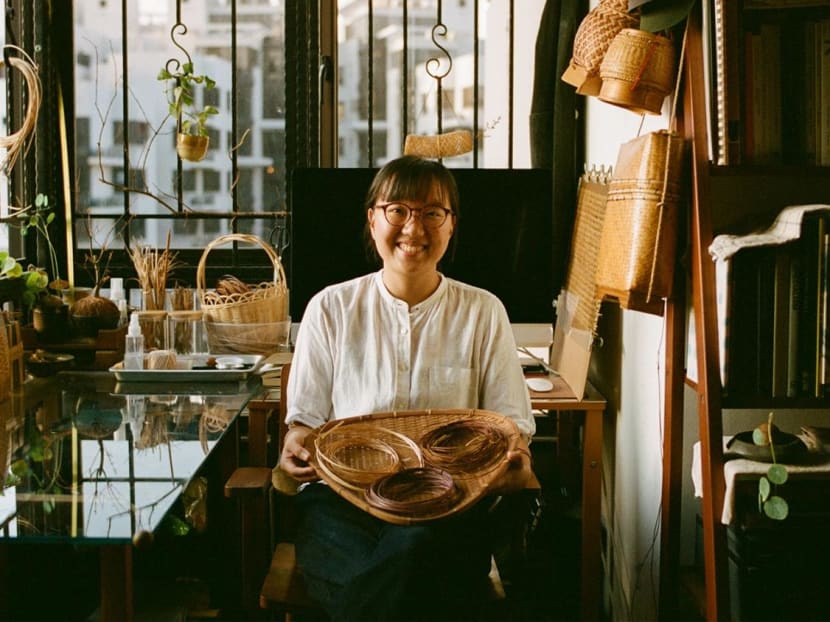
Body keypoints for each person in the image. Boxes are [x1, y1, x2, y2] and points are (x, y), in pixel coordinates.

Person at [279, 155, 536, 621]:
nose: (413, 228)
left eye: (431, 212)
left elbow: (512, 427)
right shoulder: (330, 309)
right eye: (397, 209)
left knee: (413, 555)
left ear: (452, 225)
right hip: (342, 505)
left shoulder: (483, 312)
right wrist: (296, 446)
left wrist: (512, 460)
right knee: (419, 586)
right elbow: (304, 424)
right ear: (372, 218)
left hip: (448, 507)